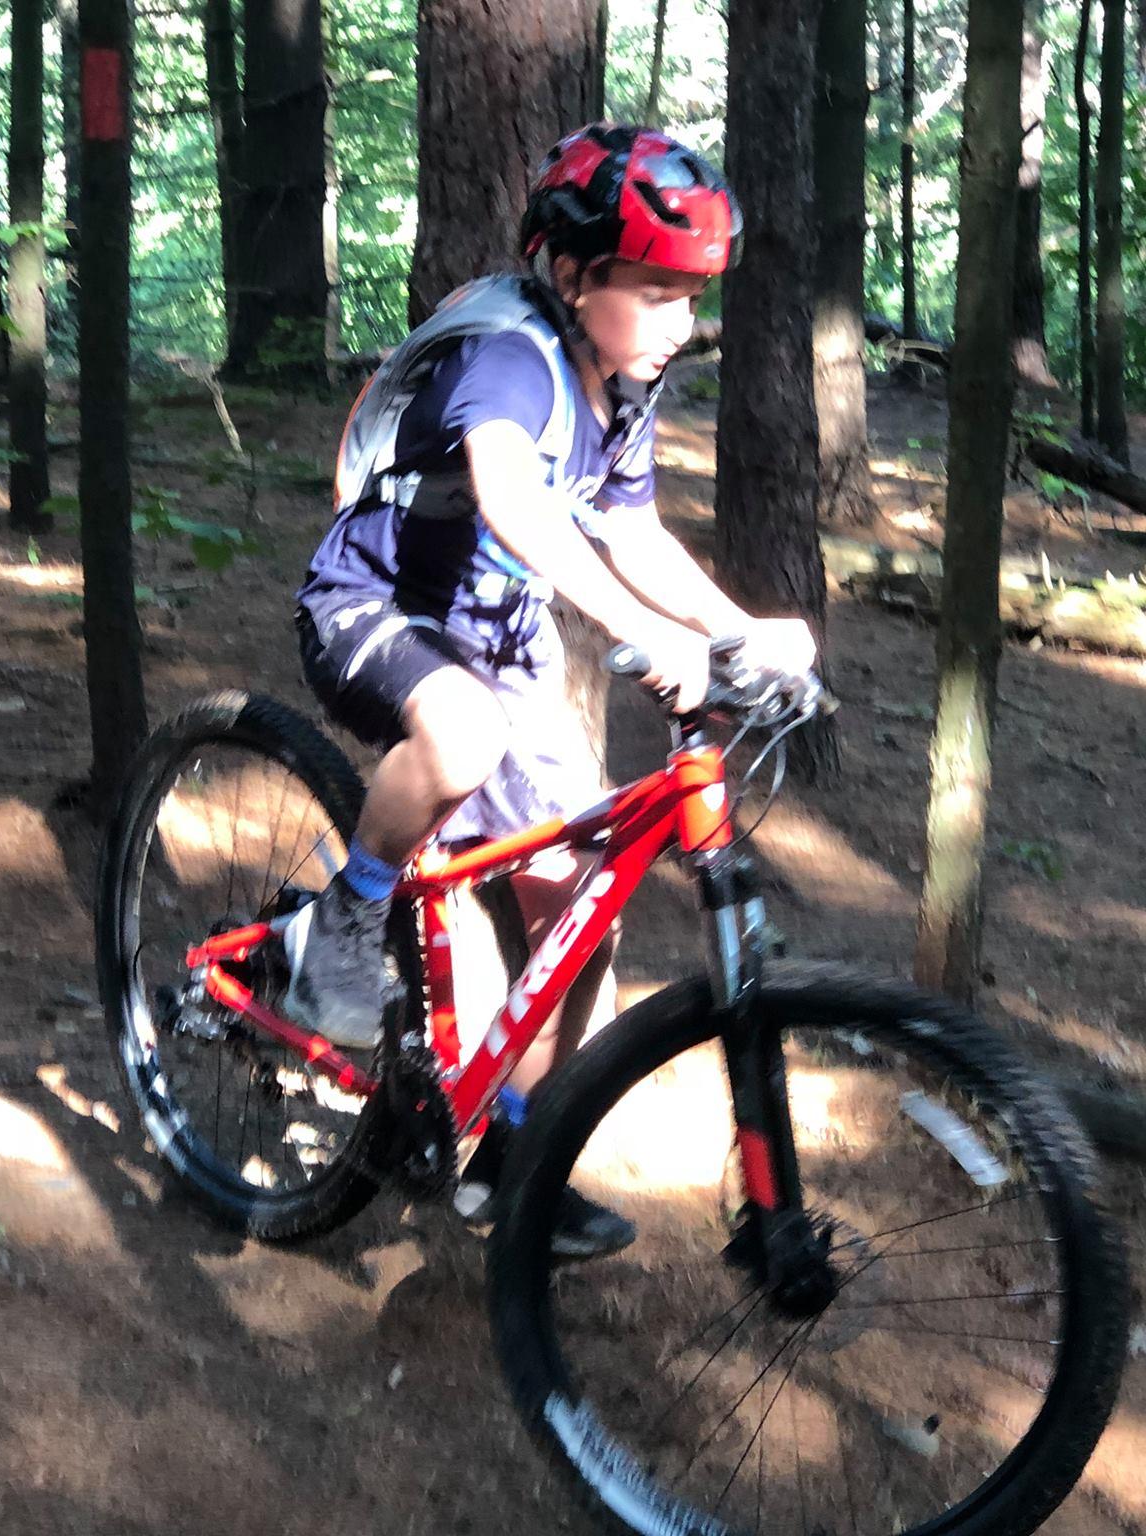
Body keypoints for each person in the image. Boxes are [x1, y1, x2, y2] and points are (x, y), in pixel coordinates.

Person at [286, 123, 817, 1258]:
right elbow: (517, 509)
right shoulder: (510, 361)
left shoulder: (620, 381)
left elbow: (627, 528)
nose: (683, 319)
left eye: (693, 295)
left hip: (493, 637)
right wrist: (638, 632)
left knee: (580, 908)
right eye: (660, 290)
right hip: (374, 606)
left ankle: (508, 1158)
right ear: (573, 276)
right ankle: (343, 920)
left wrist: (737, 631)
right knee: (464, 738)